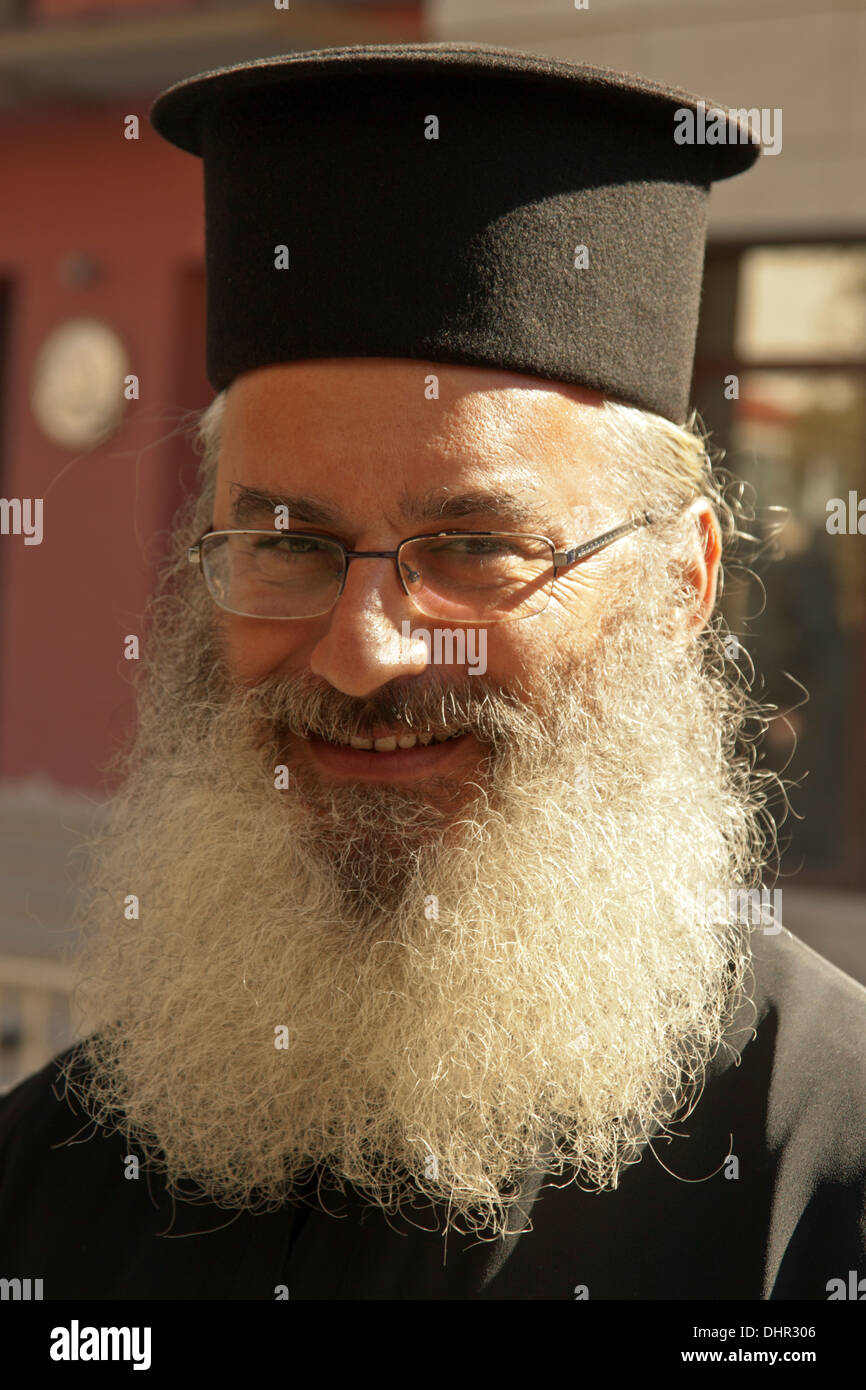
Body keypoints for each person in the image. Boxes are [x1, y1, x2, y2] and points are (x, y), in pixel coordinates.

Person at [1, 42, 864, 1301]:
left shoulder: (826, 1188)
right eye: (289, 543)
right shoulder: (46, 1181)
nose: (362, 651)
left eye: (470, 547)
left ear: (679, 585)